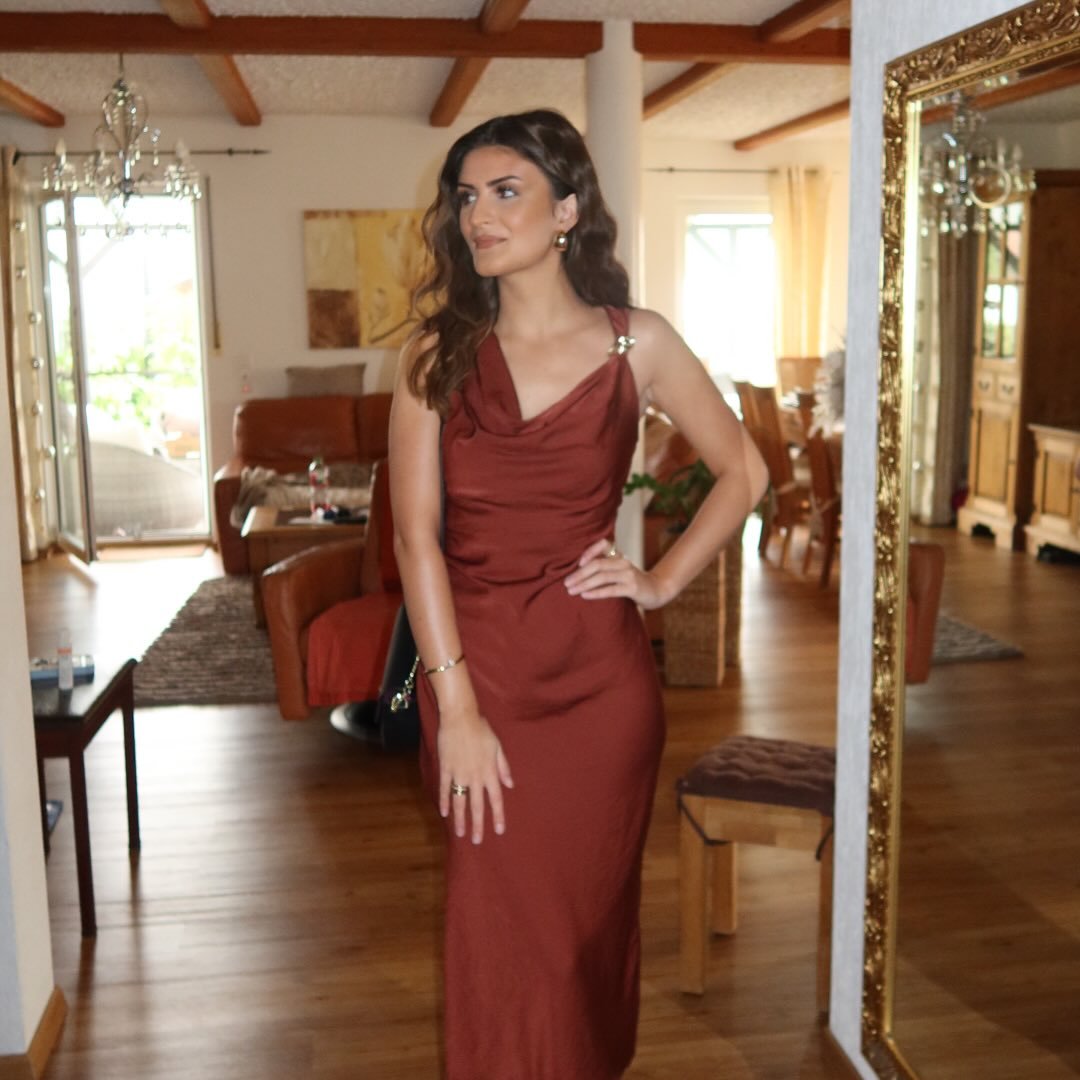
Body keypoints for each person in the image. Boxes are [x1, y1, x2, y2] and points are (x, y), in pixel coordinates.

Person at [388, 109, 768, 1080]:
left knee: (581, 936)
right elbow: (415, 538)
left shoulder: (637, 346)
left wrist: (660, 581)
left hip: (600, 686)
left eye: (505, 191)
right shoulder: (436, 355)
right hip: (478, 677)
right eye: (466, 197)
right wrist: (456, 710)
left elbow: (745, 472)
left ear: (566, 211)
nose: (478, 215)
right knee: (495, 925)